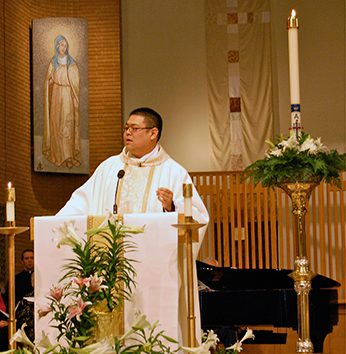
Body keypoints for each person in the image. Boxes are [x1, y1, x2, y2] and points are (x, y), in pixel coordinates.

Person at [57, 107, 209, 345]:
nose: (127, 132)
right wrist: (55, 225)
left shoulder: (173, 172)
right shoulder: (110, 169)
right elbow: (81, 202)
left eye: (134, 128)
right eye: (126, 127)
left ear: (153, 133)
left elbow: (199, 218)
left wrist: (173, 206)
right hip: (110, 267)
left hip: (154, 271)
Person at [43, 34, 81, 168]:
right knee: (56, 124)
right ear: (57, 46)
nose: (63, 48)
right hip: (56, 95)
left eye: (65, 45)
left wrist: (75, 97)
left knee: (67, 125)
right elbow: (48, 79)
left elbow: (75, 82)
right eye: (61, 45)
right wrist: (50, 81)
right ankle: (57, 155)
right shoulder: (53, 62)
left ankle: (69, 156)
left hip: (67, 95)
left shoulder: (72, 63)